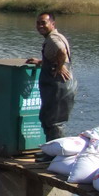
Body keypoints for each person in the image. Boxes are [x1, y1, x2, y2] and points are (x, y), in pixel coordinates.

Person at [26, 12, 77, 142]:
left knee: (52, 122)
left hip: (59, 87)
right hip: (64, 86)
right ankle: (53, 152)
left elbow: (61, 51)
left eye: (44, 23)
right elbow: (55, 56)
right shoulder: (57, 36)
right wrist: (41, 62)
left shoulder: (53, 39)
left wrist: (59, 66)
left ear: (52, 24)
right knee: (50, 119)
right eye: (38, 23)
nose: (40, 26)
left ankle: (53, 155)